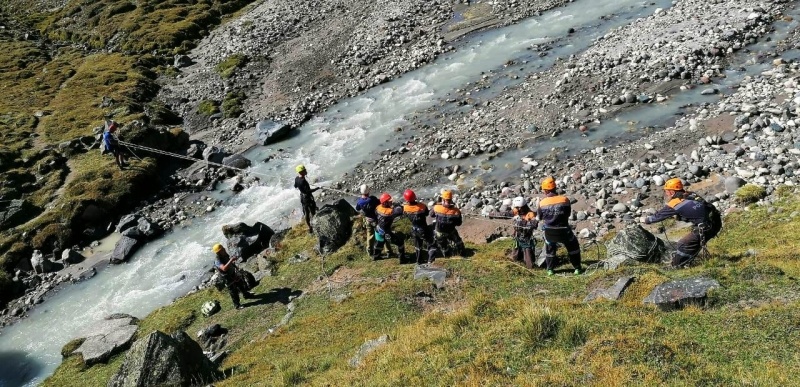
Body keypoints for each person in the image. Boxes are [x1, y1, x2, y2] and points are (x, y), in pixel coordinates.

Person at [641, 178, 722, 268]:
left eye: (667, 191)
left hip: (705, 228)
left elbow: (656, 217)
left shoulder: (675, 204)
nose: (666, 193)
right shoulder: (691, 194)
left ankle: (677, 265)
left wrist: (644, 220)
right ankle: (688, 260)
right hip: (716, 222)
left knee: (684, 243)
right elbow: (696, 210)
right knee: (694, 242)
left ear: (672, 192)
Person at [537, 177, 582, 276]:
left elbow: (540, 217)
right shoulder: (565, 200)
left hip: (550, 233)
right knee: (573, 245)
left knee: (550, 248)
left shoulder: (542, 203)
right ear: (554, 188)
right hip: (564, 231)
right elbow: (568, 214)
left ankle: (550, 270)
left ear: (545, 190)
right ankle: (577, 268)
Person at [212, 243, 255, 310]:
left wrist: (235, 267)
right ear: (219, 252)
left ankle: (246, 294)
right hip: (227, 278)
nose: (224, 249)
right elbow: (224, 268)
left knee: (240, 283)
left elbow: (230, 263)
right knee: (233, 291)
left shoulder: (225, 255)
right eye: (222, 249)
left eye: (223, 248)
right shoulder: (217, 261)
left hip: (232, 273)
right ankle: (237, 305)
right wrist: (231, 260)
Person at [402, 189, 437, 265]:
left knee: (418, 245)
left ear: (406, 200)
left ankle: (419, 261)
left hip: (414, 229)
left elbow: (404, 215)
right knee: (431, 243)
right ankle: (430, 260)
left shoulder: (405, 208)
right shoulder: (422, 206)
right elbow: (427, 214)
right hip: (423, 229)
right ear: (415, 197)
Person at [430, 190, 465, 256]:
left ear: (443, 199)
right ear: (451, 199)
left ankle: (447, 256)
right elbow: (459, 223)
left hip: (439, 232)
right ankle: (462, 253)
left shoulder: (436, 208)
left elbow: (431, 215)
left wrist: (438, 204)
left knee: (443, 247)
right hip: (451, 231)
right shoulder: (456, 211)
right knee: (458, 242)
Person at [373, 193, 406, 261]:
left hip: (378, 229)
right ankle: (402, 259)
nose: (391, 202)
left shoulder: (378, 207)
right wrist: (397, 205)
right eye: (389, 201)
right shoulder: (390, 212)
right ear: (385, 203)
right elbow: (400, 210)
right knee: (400, 243)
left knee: (379, 243)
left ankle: (375, 256)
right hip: (386, 233)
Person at [511, 196, 538, 269]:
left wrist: (522, 222)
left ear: (523, 206)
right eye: (517, 207)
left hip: (527, 239)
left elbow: (534, 224)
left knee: (528, 260)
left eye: (519, 207)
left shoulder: (530, 214)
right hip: (517, 237)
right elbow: (505, 214)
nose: (518, 209)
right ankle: (516, 266)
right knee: (515, 255)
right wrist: (490, 214)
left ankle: (530, 269)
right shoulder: (516, 211)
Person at [355, 184, 381, 257]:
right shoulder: (373, 199)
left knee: (370, 235)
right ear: (368, 191)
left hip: (367, 220)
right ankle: (382, 249)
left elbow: (357, 208)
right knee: (380, 234)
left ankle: (369, 251)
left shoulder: (360, 202)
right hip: (375, 219)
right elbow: (379, 202)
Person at [294, 165, 319, 234]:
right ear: (301, 172)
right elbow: (308, 191)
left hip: (302, 198)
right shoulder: (303, 181)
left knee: (306, 212)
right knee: (312, 211)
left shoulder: (297, 179)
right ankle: (315, 224)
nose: (306, 171)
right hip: (307, 198)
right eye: (304, 170)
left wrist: (300, 186)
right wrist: (317, 188)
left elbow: (295, 186)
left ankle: (309, 226)